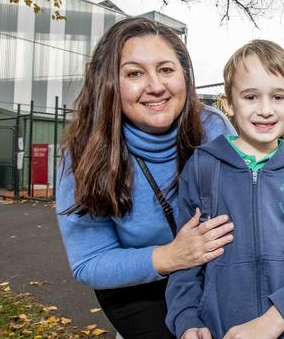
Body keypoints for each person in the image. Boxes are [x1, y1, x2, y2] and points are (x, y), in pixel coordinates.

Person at [55, 17, 236, 339]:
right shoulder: (83, 153)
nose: (155, 86)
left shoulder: (214, 128)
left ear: (185, 76)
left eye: (166, 69)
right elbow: (89, 263)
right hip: (137, 286)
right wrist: (171, 256)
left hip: (213, 274)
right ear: (108, 82)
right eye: (134, 73)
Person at [165, 40, 284, 339]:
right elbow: (185, 260)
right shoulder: (202, 169)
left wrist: (279, 316)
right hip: (221, 329)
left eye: (277, 96)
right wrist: (187, 319)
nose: (265, 110)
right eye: (251, 96)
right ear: (229, 103)